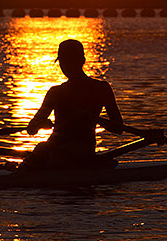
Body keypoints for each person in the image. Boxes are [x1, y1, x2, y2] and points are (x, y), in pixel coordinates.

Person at [21, 38, 126, 169]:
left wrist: (94, 118)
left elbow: (118, 128)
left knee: (56, 155)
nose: (64, 66)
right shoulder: (55, 92)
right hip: (53, 147)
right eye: (63, 62)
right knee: (43, 148)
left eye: (69, 61)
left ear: (82, 61)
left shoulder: (101, 89)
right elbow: (31, 130)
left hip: (81, 149)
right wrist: (40, 124)